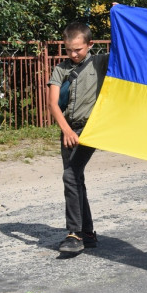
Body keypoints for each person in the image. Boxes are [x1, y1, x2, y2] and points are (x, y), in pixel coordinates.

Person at [47, 21, 110, 255]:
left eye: (78, 50)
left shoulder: (100, 62)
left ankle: (74, 233)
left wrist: (118, 15)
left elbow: (125, 50)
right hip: (68, 130)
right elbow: (53, 104)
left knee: (70, 175)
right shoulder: (61, 69)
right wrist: (66, 130)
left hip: (91, 130)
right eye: (69, 50)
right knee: (76, 179)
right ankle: (88, 232)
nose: (73, 54)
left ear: (90, 44)